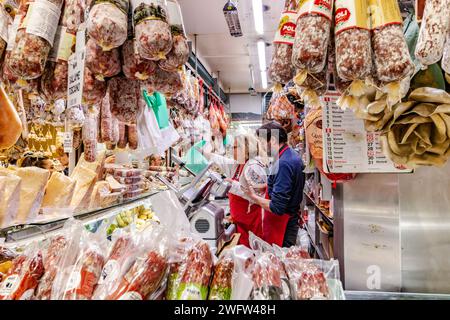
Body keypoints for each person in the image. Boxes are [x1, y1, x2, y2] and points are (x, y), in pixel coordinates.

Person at [242, 121, 305, 247]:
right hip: (288, 220)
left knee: (279, 263)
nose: (262, 147)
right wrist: (263, 187)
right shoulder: (289, 155)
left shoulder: (283, 163)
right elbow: (284, 184)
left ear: (274, 140)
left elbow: (277, 207)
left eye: (263, 142)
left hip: (283, 225)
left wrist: (253, 197)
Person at [200, 133, 267, 248]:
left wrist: (232, 185)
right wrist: (205, 151)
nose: (232, 150)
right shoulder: (238, 164)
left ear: (245, 148)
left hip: (251, 223)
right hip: (240, 221)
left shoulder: (254, 166)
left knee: (250, 255)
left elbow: (259, 195)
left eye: (235, 147)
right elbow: (220, 160)